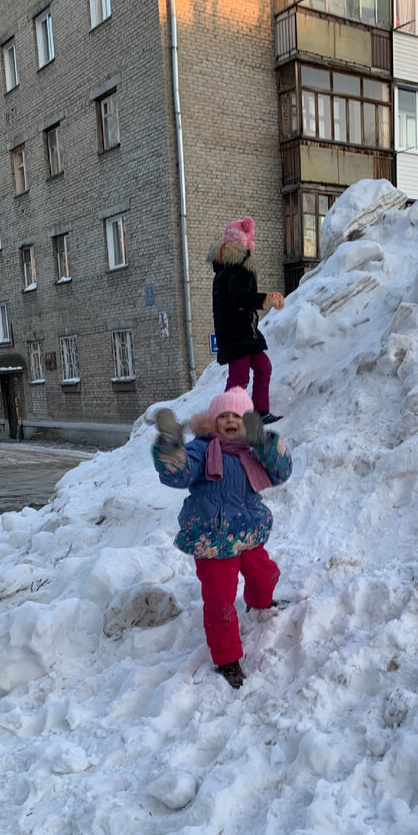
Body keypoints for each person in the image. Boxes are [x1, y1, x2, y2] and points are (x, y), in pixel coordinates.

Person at [151, 388, 292, 689]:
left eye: (237, 416)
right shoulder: (202, 449)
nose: (229, 420)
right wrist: (170, 445)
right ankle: (227, 658)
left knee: (265, 574)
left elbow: (281, 472)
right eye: (223, 415)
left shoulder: (252, 451)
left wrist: (265, 443)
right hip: (213, 540)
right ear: (213, 422)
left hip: (248, 533)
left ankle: (260, 603)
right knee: (220, 601)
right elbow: (178, 473)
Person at [208, 216, 285, 424]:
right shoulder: (239, 267)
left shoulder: (227, 269)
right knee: (239, 378)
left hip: (244, 333)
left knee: (263, 367)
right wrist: (264, 299)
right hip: (237, 335)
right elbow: (240, 297)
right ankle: (226, 417)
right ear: (245, 244)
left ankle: (260, 411)